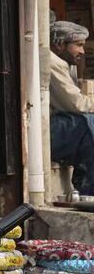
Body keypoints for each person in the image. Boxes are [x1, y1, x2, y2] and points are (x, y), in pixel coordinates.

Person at [50, 21, 94, 194]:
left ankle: (86, 186)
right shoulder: (53, 62)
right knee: (88, 123)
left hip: (52, 127)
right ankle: (88, 189)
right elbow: (75, 103)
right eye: (78, 45)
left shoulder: (63, 63)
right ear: (59, 44)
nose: (82, 51)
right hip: (43, 132)